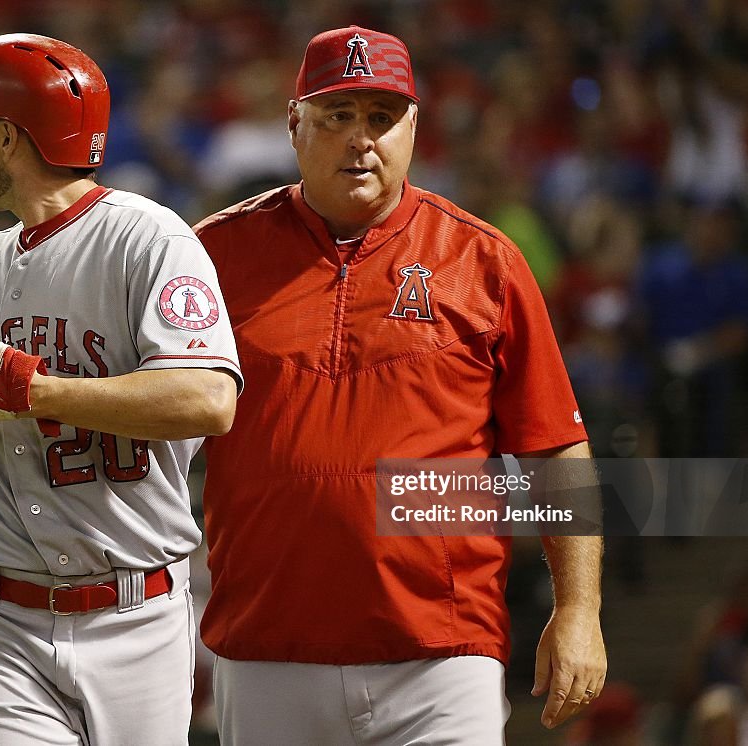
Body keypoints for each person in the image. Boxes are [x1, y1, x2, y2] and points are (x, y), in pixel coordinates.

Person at [194, 25, 605, 744]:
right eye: (338, 116)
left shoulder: (482, 261)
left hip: (441, 653)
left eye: (382, 118)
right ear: (294, 125)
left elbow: (555, 447)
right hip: (265, 647)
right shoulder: (212, 255)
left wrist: (578, 610)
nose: (362, 139)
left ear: (414, 129)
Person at [0, 33, 241, 745]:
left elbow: (208, 401)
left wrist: (40, 393)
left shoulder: (149, 239)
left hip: (135, 613)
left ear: (7, 137)